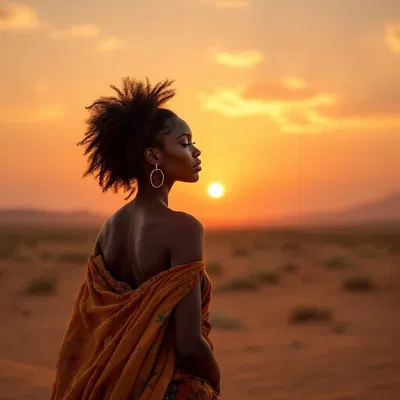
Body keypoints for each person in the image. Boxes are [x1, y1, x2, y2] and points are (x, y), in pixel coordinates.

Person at [50, 78, 221, 400]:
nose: (196, 151)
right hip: (167, 388)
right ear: (153, 156)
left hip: (112, 387)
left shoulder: (109, 228)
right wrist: (214, 377)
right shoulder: (183, 228)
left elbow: (93, 329)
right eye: (184, 142)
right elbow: (188, 344)